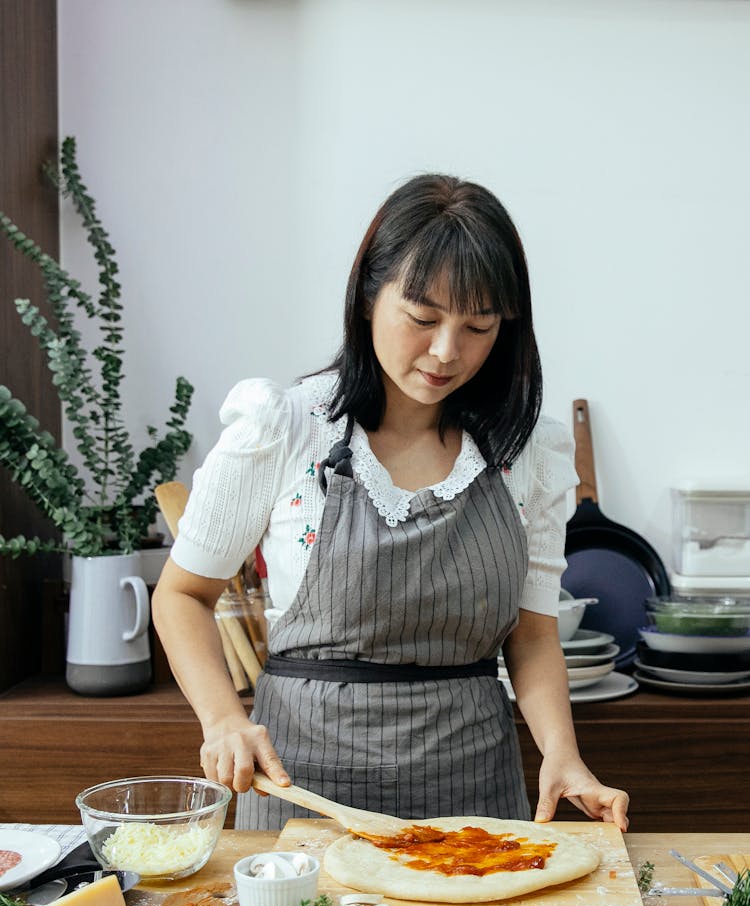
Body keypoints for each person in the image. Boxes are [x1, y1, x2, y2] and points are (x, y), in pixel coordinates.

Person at [152, 173, 629, 833]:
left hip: (471, 800)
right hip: (304, 790)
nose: (445, 352)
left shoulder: (527, 455)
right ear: (370, 297)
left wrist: (563, 754)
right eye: (424, 318)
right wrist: (223, 719)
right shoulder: (285, 428)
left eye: (478, 327)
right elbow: (181, 595)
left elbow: (533, 632)